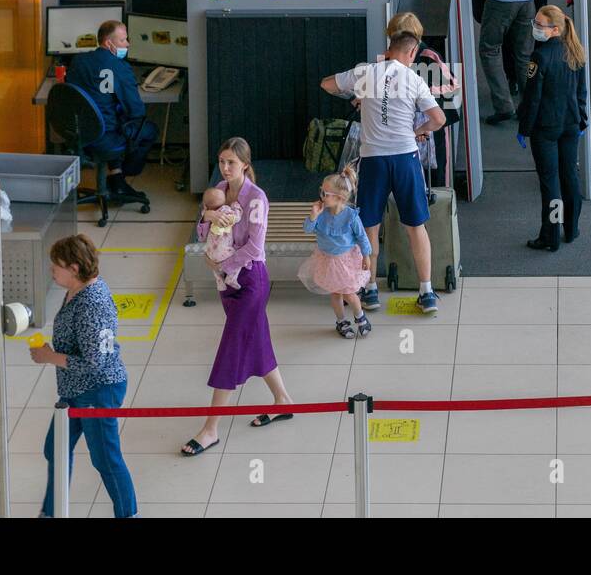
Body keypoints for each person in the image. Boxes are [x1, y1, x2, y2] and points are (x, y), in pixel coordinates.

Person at [182, 138, 295, 456]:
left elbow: (255, 248)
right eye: (221, 161)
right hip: (226, 283)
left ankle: (210, 429)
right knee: (256, 340)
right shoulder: (218, 190)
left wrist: (222, 263)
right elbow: (203, 231)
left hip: (250, 282)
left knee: (231, 348)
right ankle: (283, 401)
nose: (225, 167)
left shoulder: (256, 199)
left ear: (245, 164)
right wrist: (206, 219)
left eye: (231, 162)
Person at [321, 31, 447, 314]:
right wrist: (418, 132)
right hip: (405, 158)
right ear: (412, 53)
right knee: (416, 226)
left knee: (369, 227)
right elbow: (438, 119)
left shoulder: (366, 72)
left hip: (373, 160)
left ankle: (370, 289)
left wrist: (357, 97)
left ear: (389, 50)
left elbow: (327, 84)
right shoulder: (414, 80)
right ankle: (426, 292)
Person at [35, 235, 137, 518]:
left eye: (56, 266)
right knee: (54, 449)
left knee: (106, 459)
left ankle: (129, 514)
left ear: (74, 268)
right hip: (74, 390)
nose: (52, 271)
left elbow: (95, 363)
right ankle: (52, 511)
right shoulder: (77, 291)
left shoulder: (93, 304)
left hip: (97, 390)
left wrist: (49, 357)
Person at [517, 5, 587, 252]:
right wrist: (582, 120)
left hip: (545, 128)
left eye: (539, 25)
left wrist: (524, 128)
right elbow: (581, 92)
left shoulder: (540, 57)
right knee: (569, 176)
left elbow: (532, 98)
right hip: (570, 123)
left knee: (550, 182)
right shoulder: (575, 52)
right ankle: (571, 228)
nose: (535, 28)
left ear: (555, 29)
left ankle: (550, 236)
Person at [66, 20, 159, 202]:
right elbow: (136, 110)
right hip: (106, 135)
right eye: (123, 41)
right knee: (148, 129)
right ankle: (125, 174)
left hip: (78, 133)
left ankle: (115, 175)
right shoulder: (119, 67)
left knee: (115, 121)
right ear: (109, 43)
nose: (128, 44)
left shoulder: (78, 61)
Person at [385, 11, 459, 187]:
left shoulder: (429, 56)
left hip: (432, 123)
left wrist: (422, 90)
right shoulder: (388, 57)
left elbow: (453, 85)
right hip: (405, 122)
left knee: (436, 170)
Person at [300, 165, 374, 339]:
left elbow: (362, 237)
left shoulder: (351, 216)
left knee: (349, 292)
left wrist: (366, 255)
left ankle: (360, 317)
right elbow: (307, 229)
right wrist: (313, 216)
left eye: (325, 194)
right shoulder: (321, 213)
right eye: (321, 192)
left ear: (340, 198)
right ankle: (341, 321)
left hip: (346, 260)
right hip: (327, 259)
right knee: (335, 293)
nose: (321, 196)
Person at [201, 187, 243, 291]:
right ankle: (231, 278)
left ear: (205, 205)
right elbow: (236, 218)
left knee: (216, 270)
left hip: (210, 252)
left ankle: (220, 282)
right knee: (239, 260)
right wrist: (236, 207)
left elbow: (202, 230)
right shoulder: (225, 210)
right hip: (223, 251)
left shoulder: (207, 212)